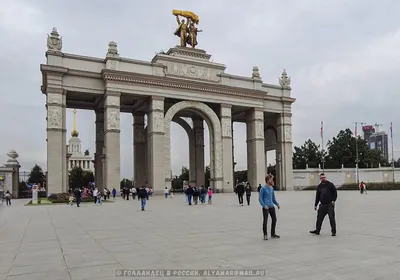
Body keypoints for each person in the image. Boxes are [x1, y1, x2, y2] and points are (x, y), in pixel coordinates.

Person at [259, 174, 280, 240]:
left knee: (274, 219)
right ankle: (265, 234)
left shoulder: (271, 188)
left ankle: (273, 233)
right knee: (265, 221)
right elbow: (260, 198)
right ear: (268, 180)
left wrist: (277, 204)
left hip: (271, 206)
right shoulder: (263, 188)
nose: (273, 181)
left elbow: (273, 198)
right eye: (271, 179)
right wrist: (264, 205)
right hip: (266, 207)